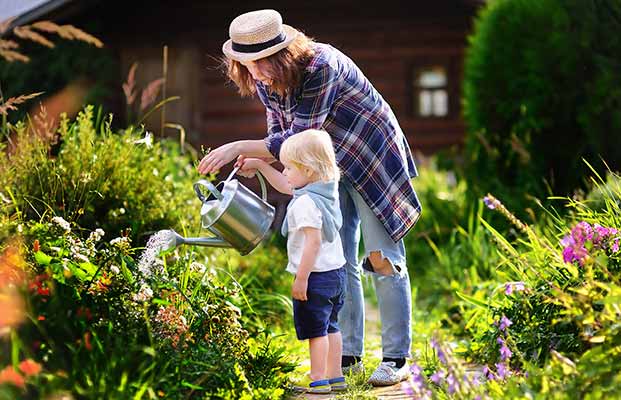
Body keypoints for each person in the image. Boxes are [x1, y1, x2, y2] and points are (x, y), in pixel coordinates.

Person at [198, 9, 422, 386]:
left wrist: (237, 145)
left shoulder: (322, 66)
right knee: (338, 257)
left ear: (281, 54)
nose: (255, 73)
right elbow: (279, 138)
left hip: (368, 154)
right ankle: (347, 356)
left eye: (261, 63)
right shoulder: (267, 81)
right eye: (246, 65)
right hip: (325, 166)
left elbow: (297, 139)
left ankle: (396, 358)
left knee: (382, 257)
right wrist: (260, 160)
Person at [237, 129, 346, 394]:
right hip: (336, 274)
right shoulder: (325, 190)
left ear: (308, 171)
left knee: (315, 331)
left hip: (315, 276)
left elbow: (313, 242)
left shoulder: (305, 203)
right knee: (331, 326)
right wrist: (261, 165)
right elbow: (288, 185)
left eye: (288, 167)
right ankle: (336, 376)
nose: (284, 172)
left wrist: (302, 278)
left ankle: (318, 379)